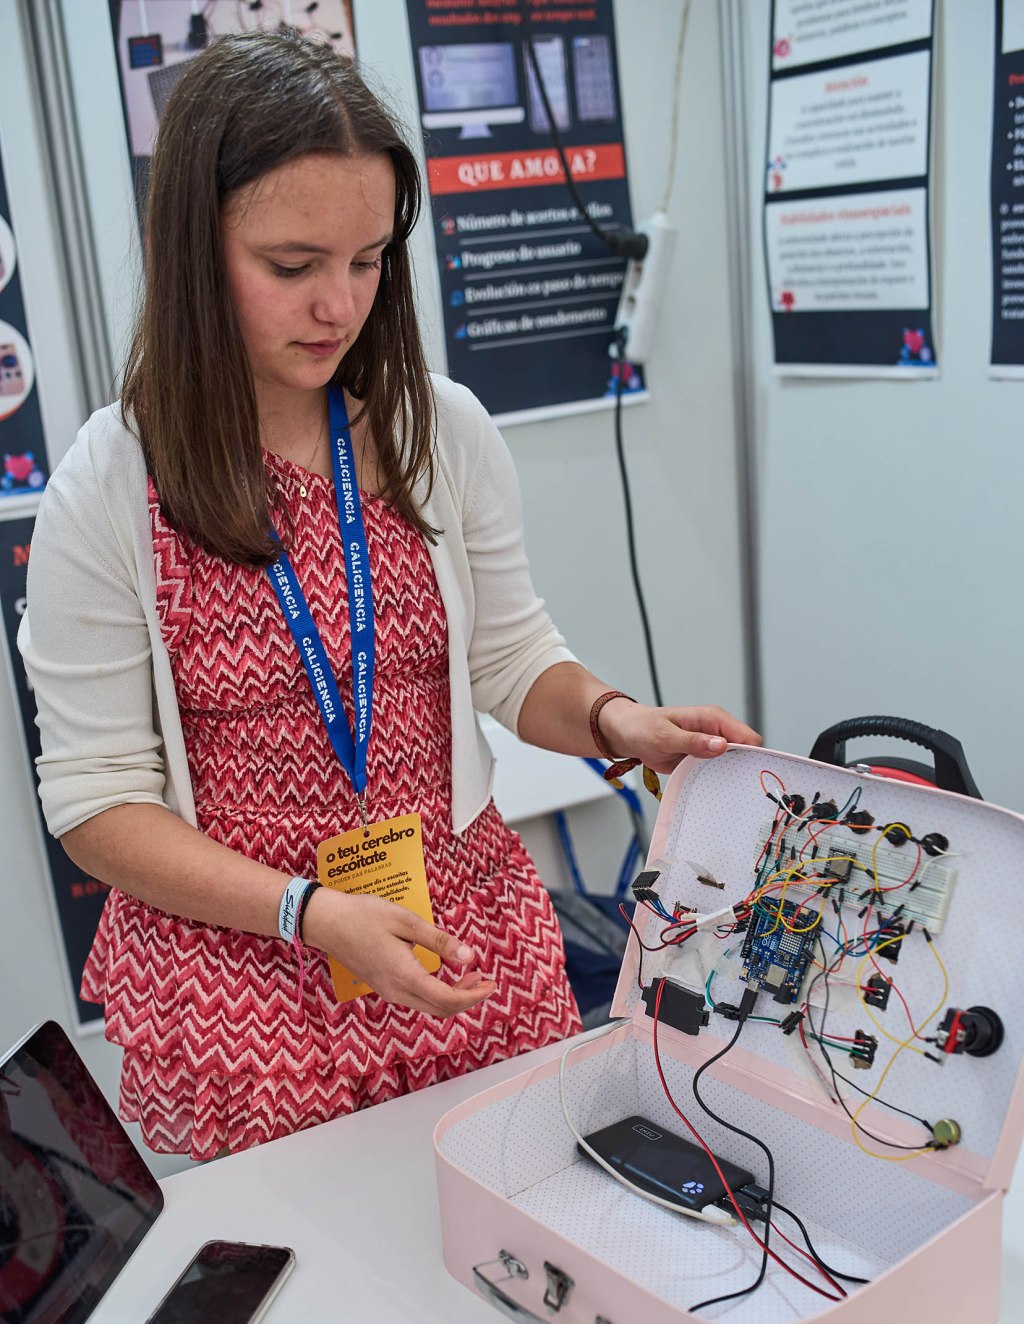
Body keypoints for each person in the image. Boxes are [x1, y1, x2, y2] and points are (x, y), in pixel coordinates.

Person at [19, 31, 759, 1160]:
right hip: (250, 977)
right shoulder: (114, 485)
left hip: (458, 941)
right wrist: (311, 914)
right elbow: (96, 807)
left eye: (366, 261)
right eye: (291, 264)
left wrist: (615, 721)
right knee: (309, 1302)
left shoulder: (435, 428)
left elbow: (511, 662)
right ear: (193, 247)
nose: (337, 305)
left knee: (508, 1245)